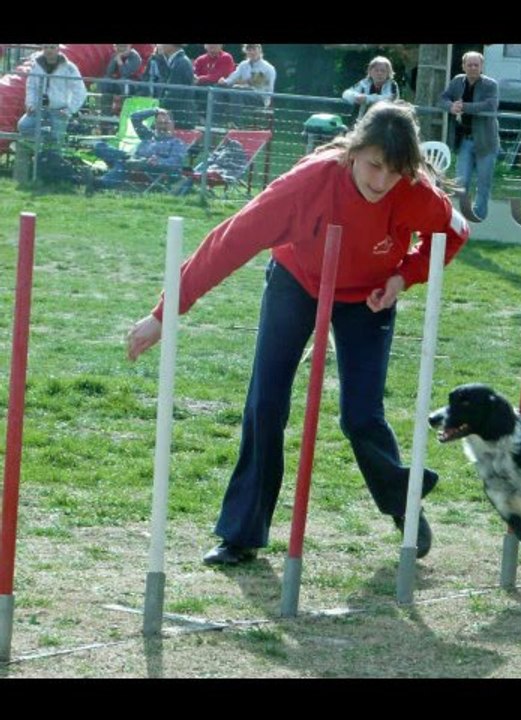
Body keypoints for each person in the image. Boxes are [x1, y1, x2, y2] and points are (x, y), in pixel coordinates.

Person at [126, 102, 470, 565]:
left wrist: (403, 277)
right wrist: (164, 315)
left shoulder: (414, 191)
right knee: (265, 403)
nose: (381, 181)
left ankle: (402, 505)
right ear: (353, 150)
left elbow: (455, 232)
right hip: (297, 280)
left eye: (394, 172)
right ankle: (241, 534)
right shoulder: (305, 184)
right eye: (373, 166)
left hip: (369, 296)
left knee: (361, 416)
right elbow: (228, 242)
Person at [439, 50, 500, 220]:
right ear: (463, 66)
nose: (473, 68)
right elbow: (442, 99)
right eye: (469, 65)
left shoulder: (490, 84)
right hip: (465, 140)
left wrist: (463, 106)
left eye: (476, 65)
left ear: (481, 67)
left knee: (483, 183)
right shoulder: (457, 81)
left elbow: (490, 105)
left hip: (486, 142)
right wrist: (451, 106)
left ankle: (478, 218)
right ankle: (458, 218)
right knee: (461, 182)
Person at [87, 107, 188, 193]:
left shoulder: (176, 143)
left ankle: (98, 182)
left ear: (172, 124)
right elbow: (135, 117)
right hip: (131, 158)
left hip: (149, 166)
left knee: (123, 163)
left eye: (165, 123)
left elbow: (176, 162)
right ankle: (98, 182)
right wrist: (155, 110)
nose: (162, 126)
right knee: (100, 146)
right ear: (155, 124)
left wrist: (158, 161)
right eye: (159, 123)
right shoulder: (148, 135)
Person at [17, 44, 86, 146]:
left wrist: (70, 109)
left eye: (52, 47)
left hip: (59, 110)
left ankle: (52, 153)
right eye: (46, 47)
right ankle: (47, 143)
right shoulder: (36, 65)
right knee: (23, 126)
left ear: (58, 49)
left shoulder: (69, 67)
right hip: (38, 107)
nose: (49, 50)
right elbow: (31, 86)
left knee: (57, 140)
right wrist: (30, 103)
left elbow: (80, 90)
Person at [217, 43, 276, 125]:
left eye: (254, 49)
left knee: (237, 90)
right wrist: (224, 81)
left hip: (260, 98)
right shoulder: (243, 65)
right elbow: (232, 78)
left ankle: (235, 124)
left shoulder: (268, 68)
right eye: (249, 50)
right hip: (241, 94)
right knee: (218, 88)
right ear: (245, 51)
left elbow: (269, 90)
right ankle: (215, 121)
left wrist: (249, 84)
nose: (251, 52)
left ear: (260, 50)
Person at [148, 44, 196, 128]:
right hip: (172, 114)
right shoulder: (173, 60)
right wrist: (160, 59)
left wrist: (158, 108)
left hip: (180, 116)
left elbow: (175, 92)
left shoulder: (182, 62)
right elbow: (165, 78)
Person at [342, 56, 400, 121]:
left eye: (383, 71)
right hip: (364, 121)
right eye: (376, 70)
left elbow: (389, 99)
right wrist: (356, 97)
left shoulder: (392, 84)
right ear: (370, 72)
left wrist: (367, 99)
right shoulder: (365, 82)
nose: (379, 73)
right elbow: (346, 93)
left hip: (386, 122)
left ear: (388, 73)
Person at [99, 44, 143, 117]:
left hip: (133, 84)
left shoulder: (135, 57)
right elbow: (109, 72)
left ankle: (124, 114)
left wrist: (119, 60)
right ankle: (105, 114)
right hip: (118, 83)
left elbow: (125, 73)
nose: (121, 48)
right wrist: (115, 59)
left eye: (124, 46)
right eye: (119, 46)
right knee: (105, 81)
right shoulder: (115, 55)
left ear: (130, 46)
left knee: (123, 82)